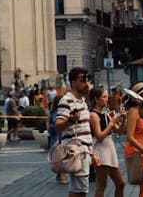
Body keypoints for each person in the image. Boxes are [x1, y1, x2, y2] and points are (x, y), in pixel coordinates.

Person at [55, 67, 97, 197]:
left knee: (80, 190)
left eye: (87, 80)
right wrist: (71, 120)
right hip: (76, 150)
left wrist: (92, 152)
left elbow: (85, 129)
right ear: (73, 82)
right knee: (80, 190)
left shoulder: (83, 102)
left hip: (84, 150)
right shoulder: (66, 100)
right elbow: (57, 126)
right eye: (82, 80)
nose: (86, 83)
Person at [88, 86, 127, 197]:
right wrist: (111, 123)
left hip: (109, 149)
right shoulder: (93, 115)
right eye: (104, 97)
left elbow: (119, 131)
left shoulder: (107, 113)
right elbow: (99, 136)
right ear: (96, 99)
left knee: (120, 183)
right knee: (102, 185)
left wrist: (123, 120)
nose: (107, 99)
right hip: (101, 150)